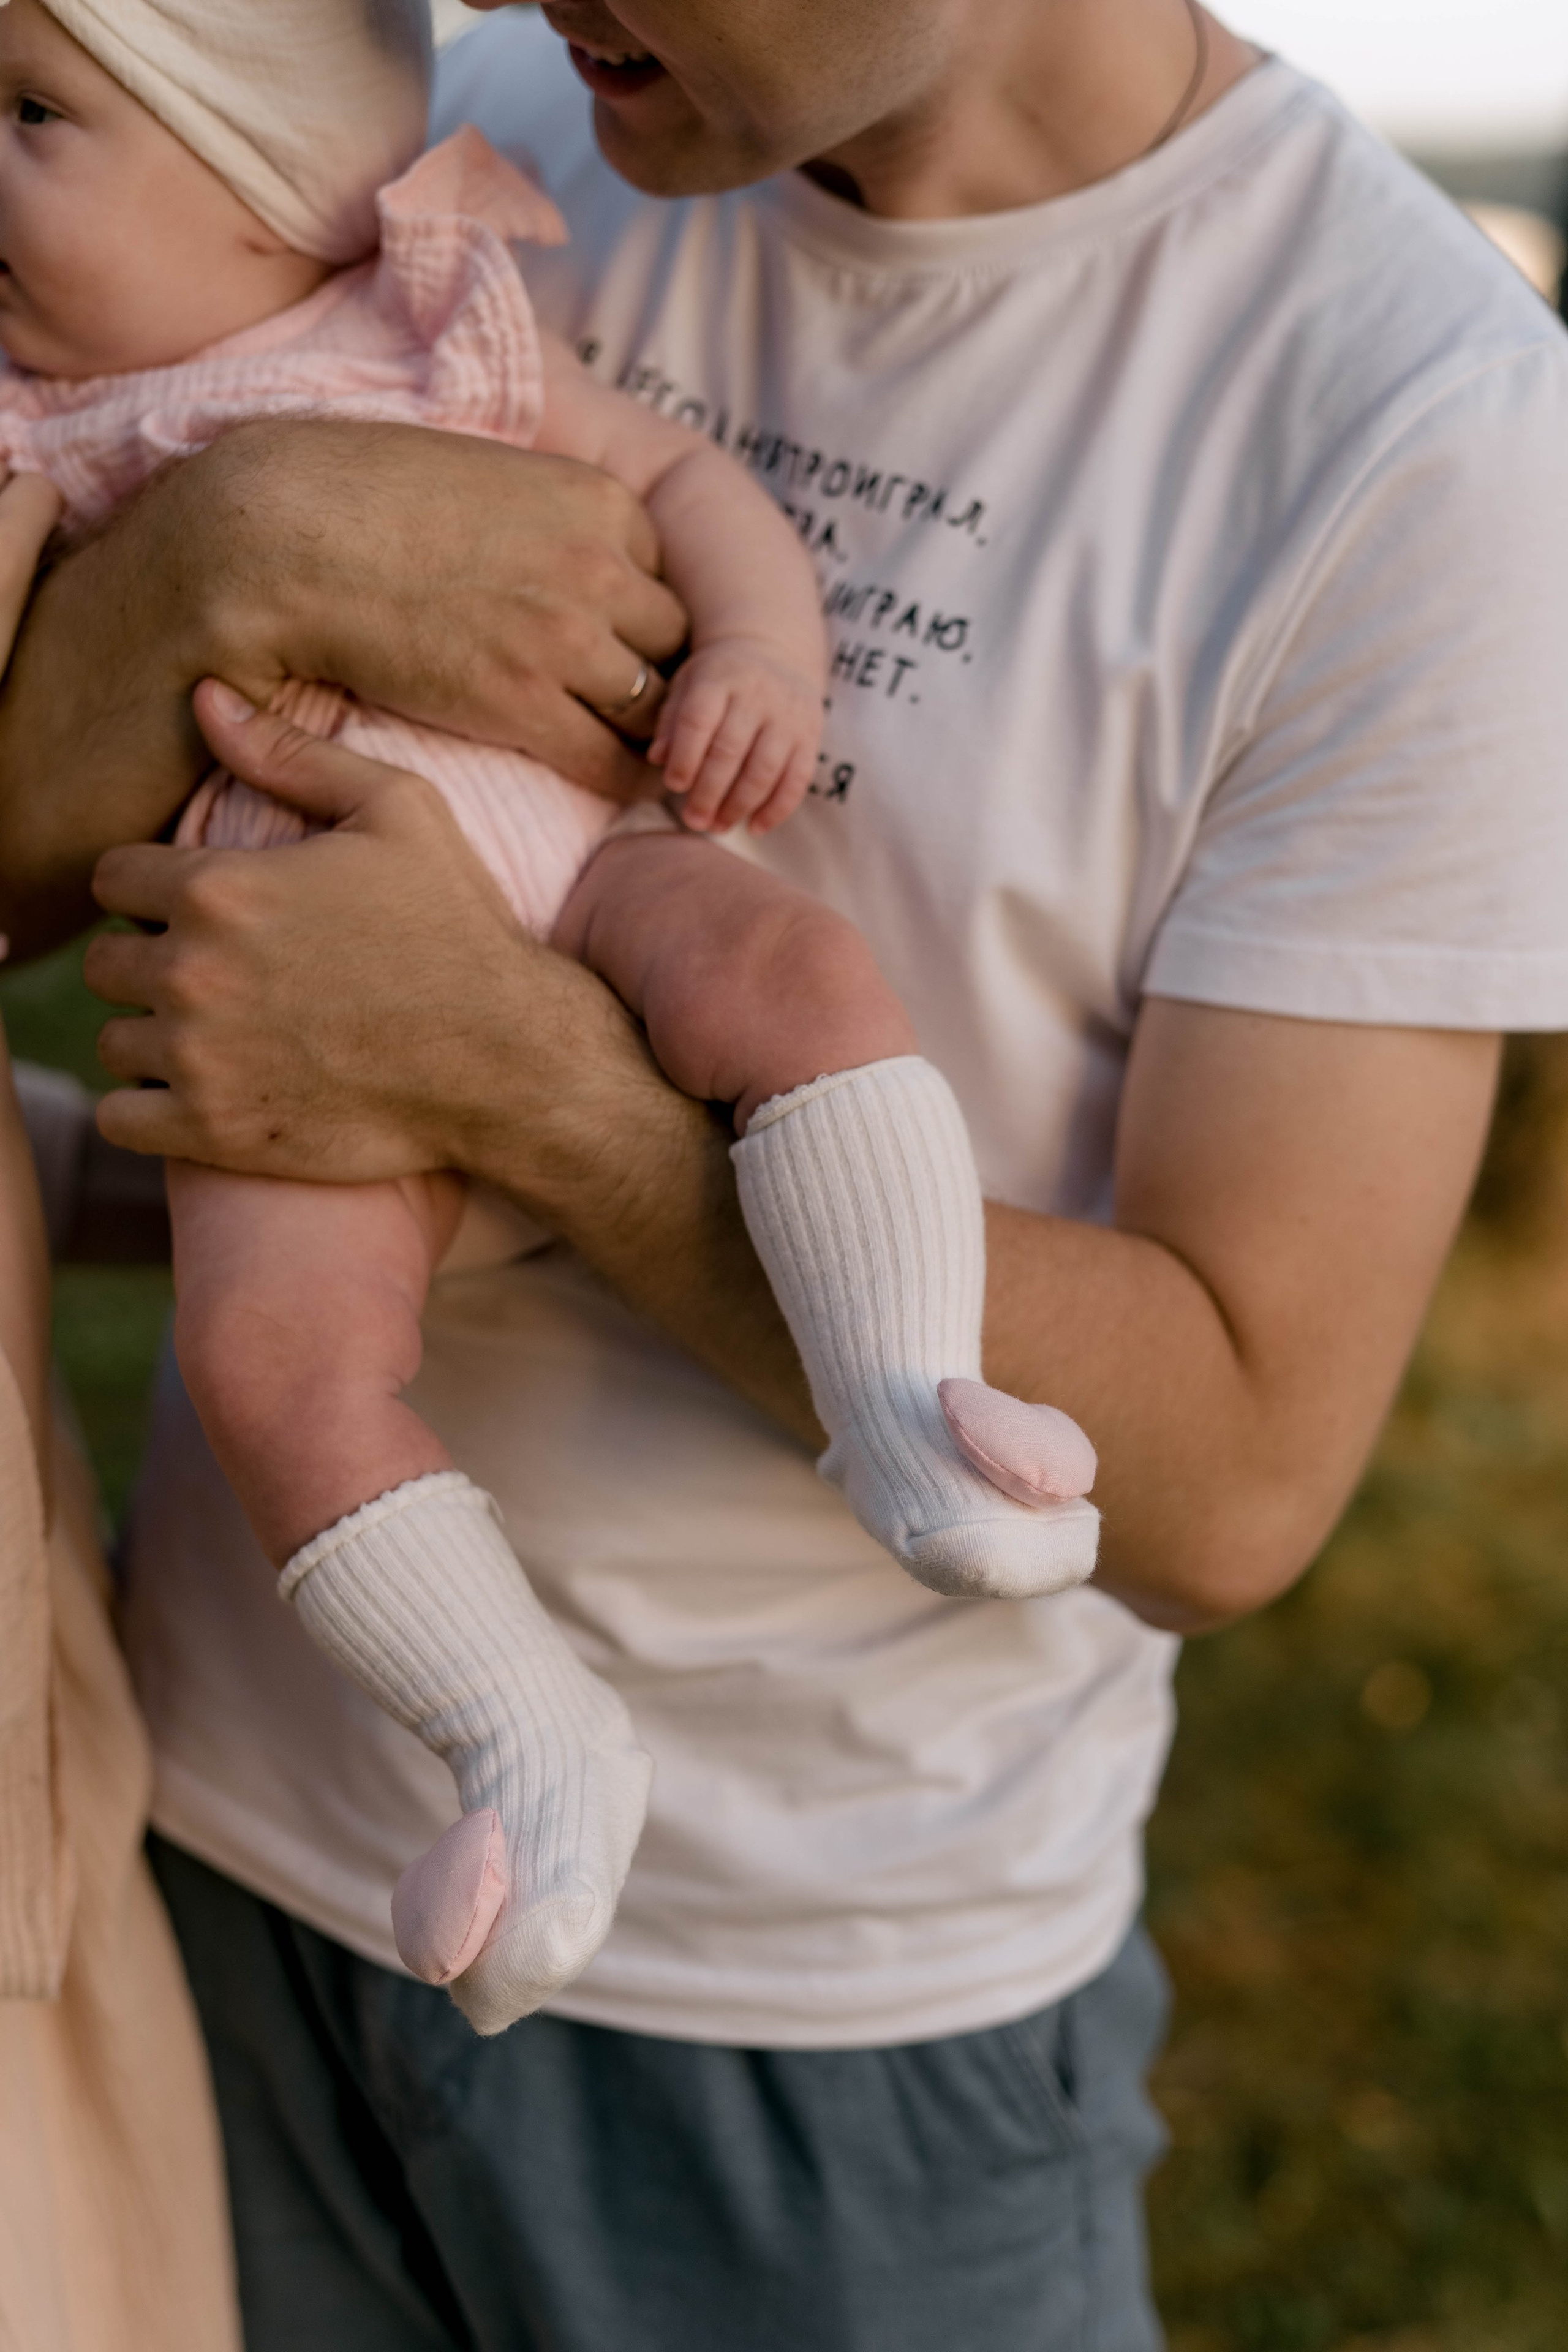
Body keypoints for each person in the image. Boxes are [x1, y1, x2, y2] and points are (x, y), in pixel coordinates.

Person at [3, 0, 1567, 2342]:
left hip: (814, 2039)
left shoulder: (1410, 435)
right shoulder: (459, 141)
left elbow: (1234, 1473)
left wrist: (517, 1085)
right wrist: (229, 546)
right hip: (219, 1874)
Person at [0, 0, 1099, 2035]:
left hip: (591, 856)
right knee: (277, 1362)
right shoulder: (34, 427)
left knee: (794, 979)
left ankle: (913, 1407)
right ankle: (524, 1741)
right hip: (291, 966)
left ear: (260, 188)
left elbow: (668, 473)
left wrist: (761, 648)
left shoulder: (442, 312)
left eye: (32, 114)